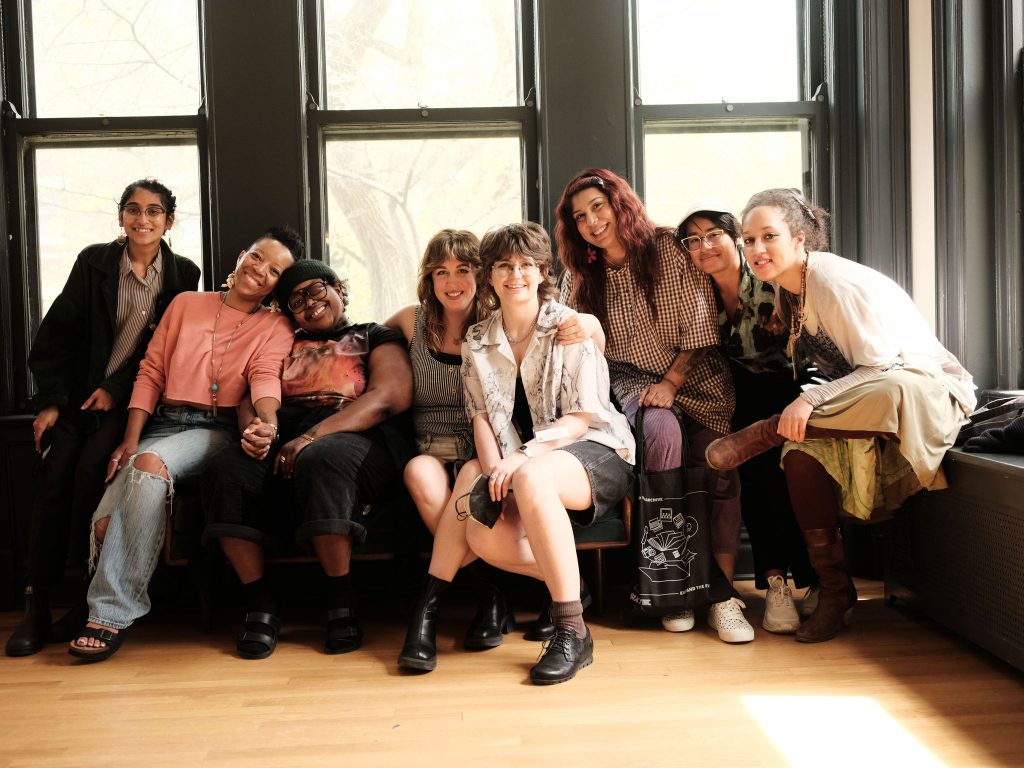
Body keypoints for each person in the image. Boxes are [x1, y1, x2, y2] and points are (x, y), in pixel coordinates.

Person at [706, 188, 976, 642]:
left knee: (884, 391)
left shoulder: (829, 279)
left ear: (799, 237)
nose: (756, 250)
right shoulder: (790, 288)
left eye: (768, 236)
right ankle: (835, 589)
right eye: (748, 240)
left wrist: (807, 401)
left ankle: (769, 429)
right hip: (860, 399)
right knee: (798, 456)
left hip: (922, 388)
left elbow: (882, 365)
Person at [397, 222, 635, 685]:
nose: (515, 275)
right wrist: (493, 473)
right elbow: (481, 417)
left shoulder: (568, 328)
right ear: (490, 275)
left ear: (542, 271)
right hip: (517, 460)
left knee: (531, 478)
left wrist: (519, 460)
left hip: (594, 450)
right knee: (481, 525)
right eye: (505, 265)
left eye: (526, 265)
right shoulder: (477, 338)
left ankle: (572, 632)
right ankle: (563, 585)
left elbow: (579, 421)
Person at [67, 225, 301, 662]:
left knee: (152, 465)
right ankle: (114, 599)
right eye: (257, 257)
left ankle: (111, 615)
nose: (260, 271)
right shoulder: (186, 304)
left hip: (216, 427)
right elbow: (151, 371)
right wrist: (129, 441)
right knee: (104, 525)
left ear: (278, 284)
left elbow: (265, 378)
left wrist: (267, 422)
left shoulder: (276, 326)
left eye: (274, 271)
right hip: (160, 422)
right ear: (241, 255)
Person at [554, 168, 752, 643]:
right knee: (662, 435)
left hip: (696, 374)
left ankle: (720, 595)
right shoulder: (583, 273)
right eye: (580, 216)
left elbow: (701, 318)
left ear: (620, 203)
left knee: (719, 468)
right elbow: (565, 327)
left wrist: (674, 378)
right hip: (634, 383)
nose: (592, 222)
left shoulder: (667, 246)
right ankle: (674, 586)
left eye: (598, 207)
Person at [6, 179, 200, 658]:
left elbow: (164, 349)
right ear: (121, 217)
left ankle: (84, 602)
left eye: (155, 211)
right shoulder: (93, 261)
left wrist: (116, 391)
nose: (143, 219)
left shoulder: (183, 274)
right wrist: (50, 399)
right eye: (133, 210)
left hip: (130, 399)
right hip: (74, 398)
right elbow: (57, 334)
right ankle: (38, 602)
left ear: (169, 221)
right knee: (54, 479)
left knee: (95, 472)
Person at [203, 260, 414, 659]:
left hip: (355, 434)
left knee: (322, 459)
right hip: (285, 433)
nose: (310, 304)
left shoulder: (374, 335)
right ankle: (260, 604)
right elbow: (251, 393)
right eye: (296, 301)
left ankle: (341, 601)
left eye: (316, 290)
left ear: (338, 288)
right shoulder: (282, 341)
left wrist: (311, 437)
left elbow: (390, 396)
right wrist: (254, 429)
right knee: (226, 468)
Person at [677, 201, 818, 634]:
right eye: (693, 240)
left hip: (792, 390)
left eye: (713, 234)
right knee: (754, 483)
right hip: (738, 394)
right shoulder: (695, 294)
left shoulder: (770, 277)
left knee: (795, 477)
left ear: (735, 237)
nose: (704, 246)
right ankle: (775, 582)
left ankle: (816, 580)